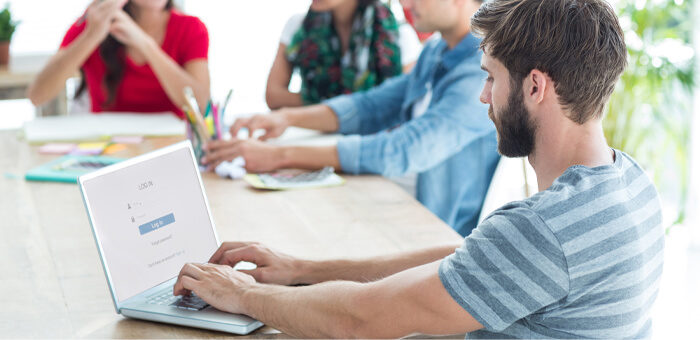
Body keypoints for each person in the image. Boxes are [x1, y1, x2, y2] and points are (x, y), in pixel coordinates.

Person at [174, 0, 665, 338]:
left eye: (491, 78)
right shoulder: (631, 180)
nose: (483, 97)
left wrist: (243, 295)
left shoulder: (543, 231)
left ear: (535, 87)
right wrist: (304, 270)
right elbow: (472, 260)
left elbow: (359, 321)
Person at [204, 0, 499, 237]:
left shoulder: (480, 69)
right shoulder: (436, 50)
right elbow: (372, 105)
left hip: (433, 227)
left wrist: (279, 156)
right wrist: (287, 118)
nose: (406, 3)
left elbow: (405, 148)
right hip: (397, 196)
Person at [27, 0, 210, 119]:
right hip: (108, 147)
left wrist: (146, 45)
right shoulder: (93, 23)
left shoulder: (191, 28)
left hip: (170, 148)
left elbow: (202, 104)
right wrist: (91, 36)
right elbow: (37, 95)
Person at [266, 0, 422, 110]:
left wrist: (325, 105)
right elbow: (274, 96)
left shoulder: (398, 36)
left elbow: (404, 102)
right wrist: (350, 106)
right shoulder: (299, 27)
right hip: (310, 139)